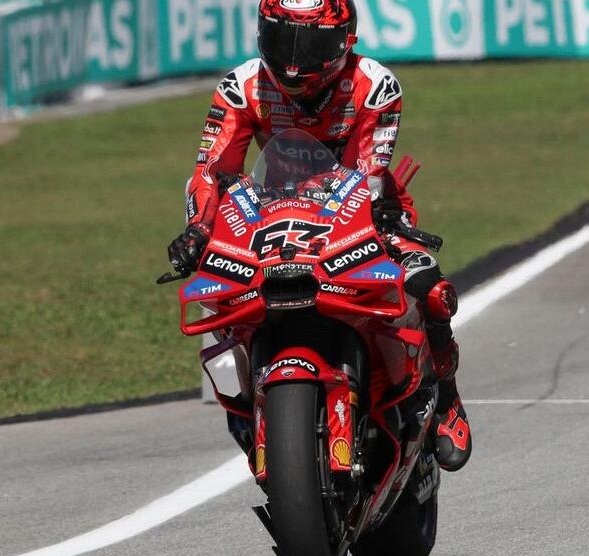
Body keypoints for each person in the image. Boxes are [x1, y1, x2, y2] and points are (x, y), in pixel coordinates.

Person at [167, 0, 470, 472]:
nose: (293, 60)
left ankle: (448, 400)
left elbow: (367, 175)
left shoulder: (375, 87)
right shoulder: (240, 86)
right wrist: (199, 228)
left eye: (308, 43)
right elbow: (211, 171)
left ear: (344, 40)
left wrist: (383, 222)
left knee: (427, 285)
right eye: (281, 38)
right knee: (216, 293)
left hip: (366, 210)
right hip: (272, 209)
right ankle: (242, 402)